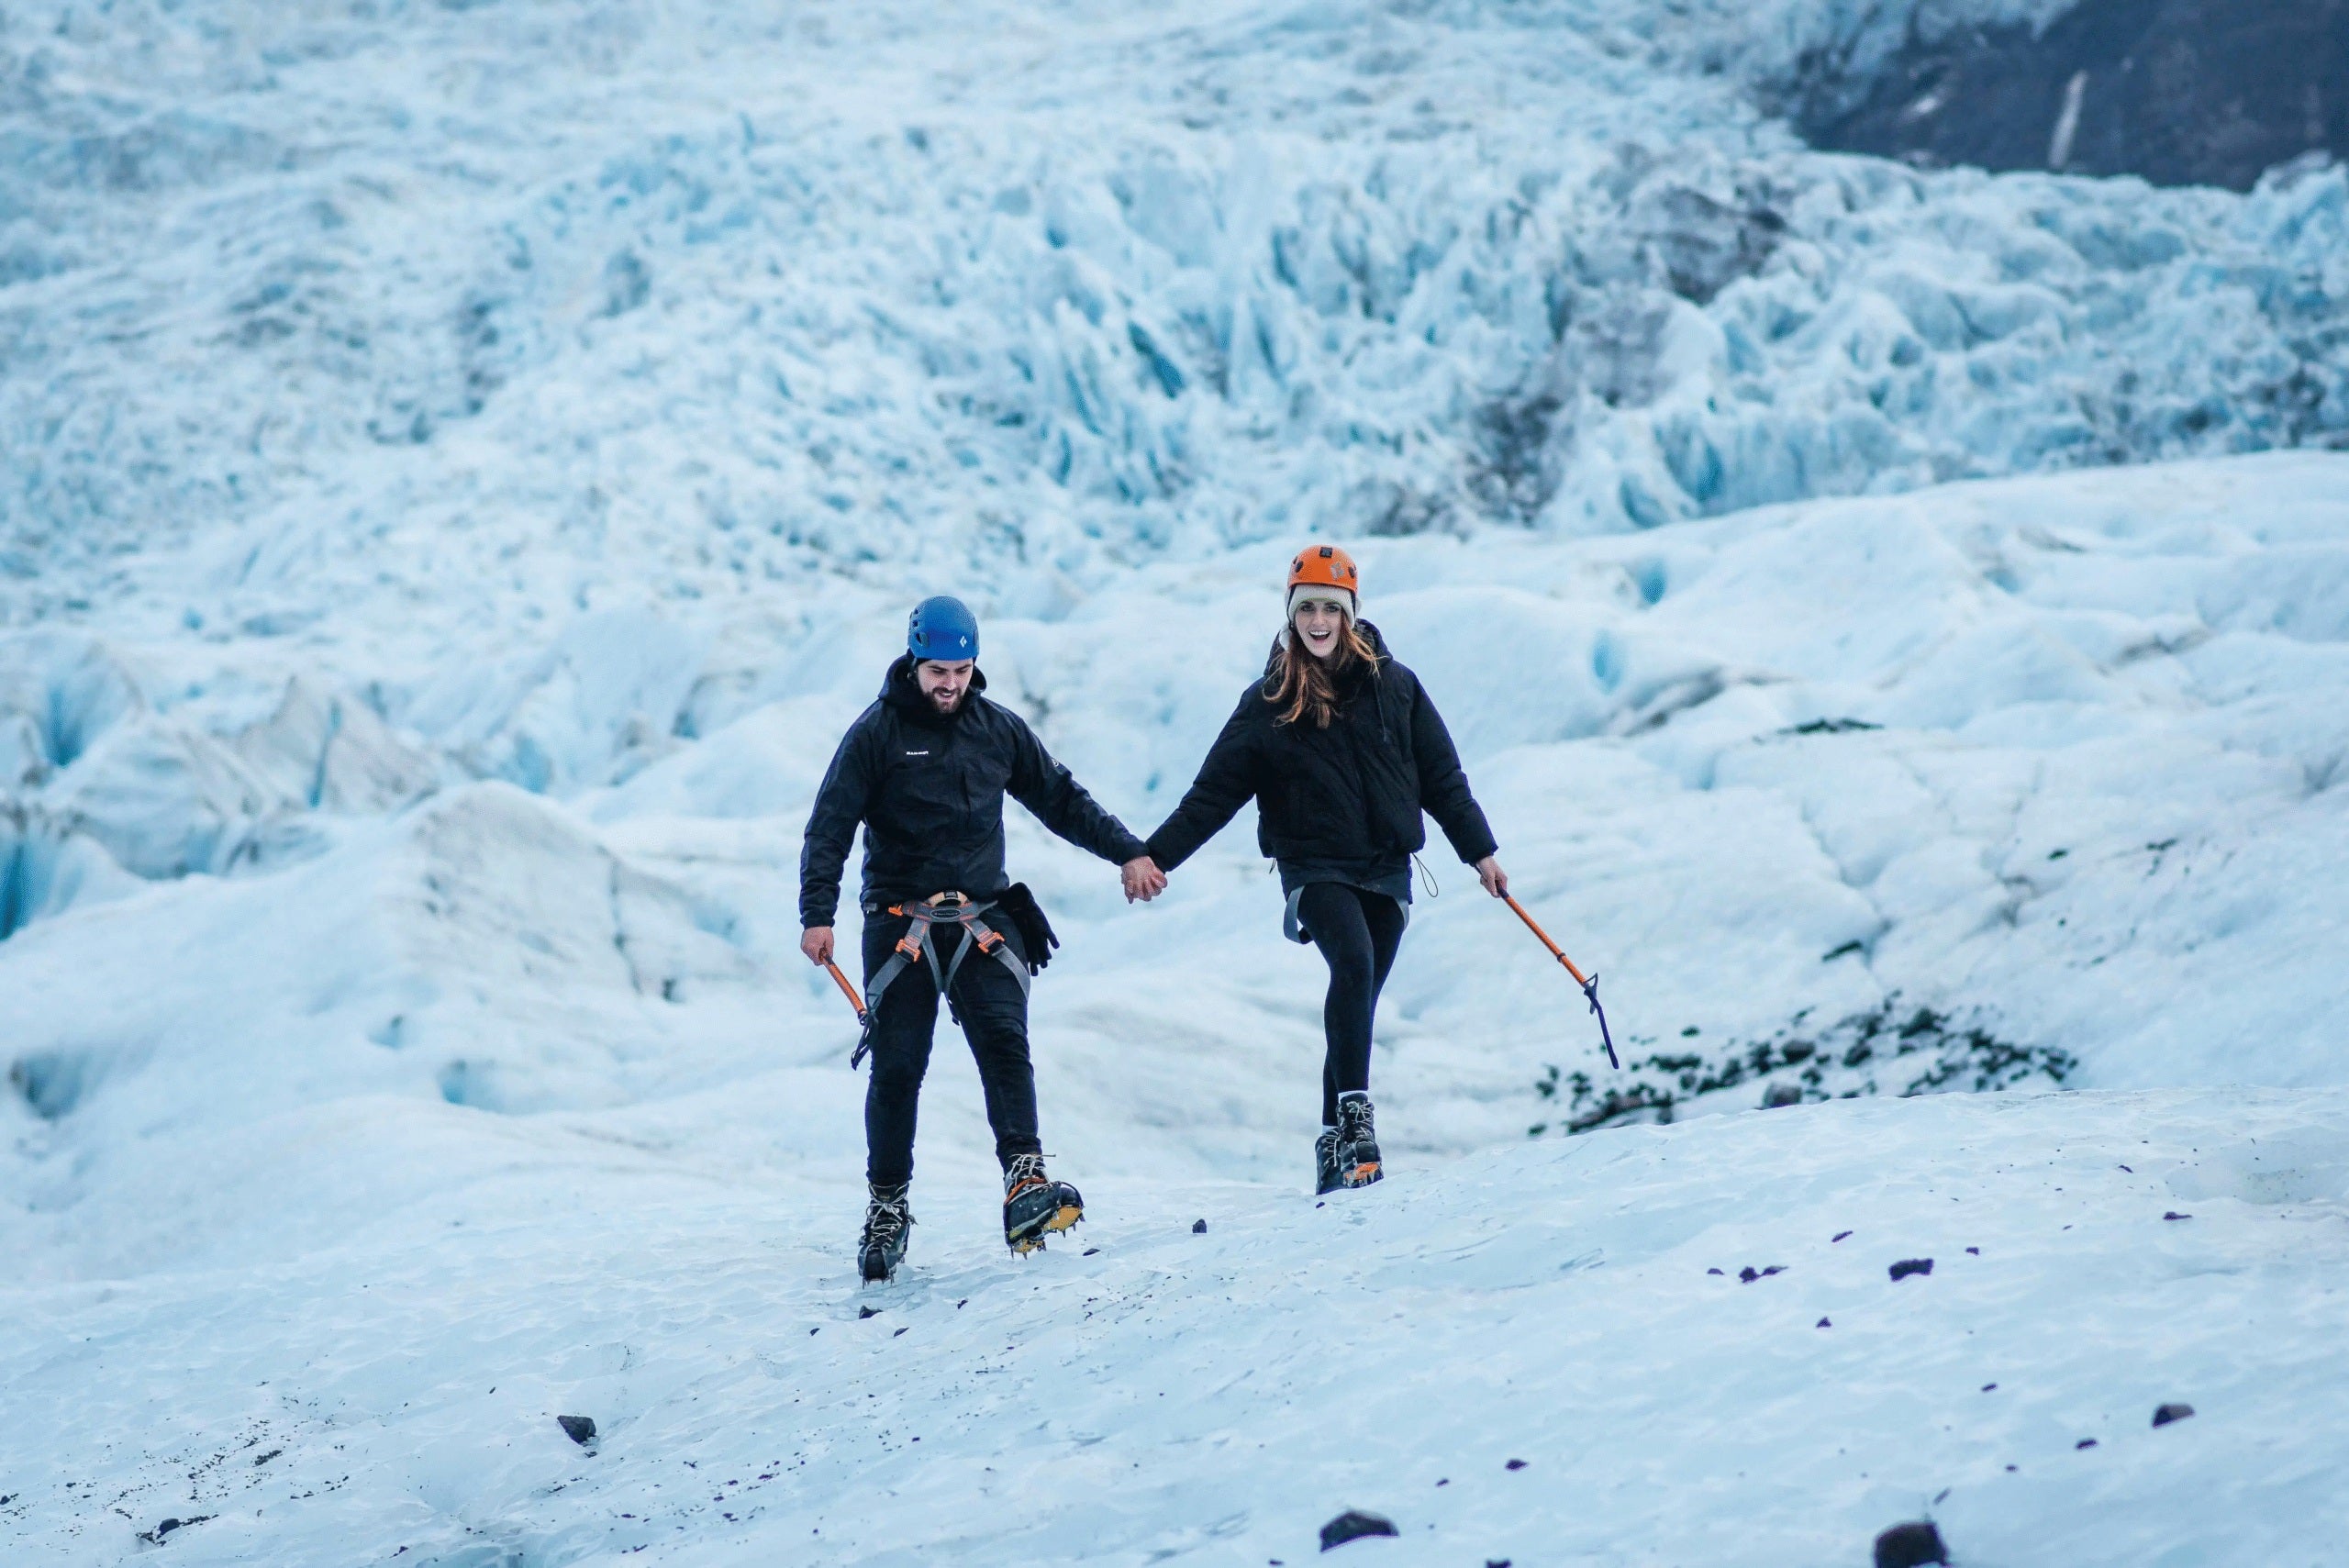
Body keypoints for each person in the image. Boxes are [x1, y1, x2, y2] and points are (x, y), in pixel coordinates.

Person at [800, 595, 1166, 1283]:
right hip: (896, 920)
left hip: (984, 917)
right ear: (914, 661)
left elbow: (1060, 798)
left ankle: (1026, 1183)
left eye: (962, 670)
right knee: (899, 1066)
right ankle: (887, 1208)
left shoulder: (997, 730)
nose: (950, 683)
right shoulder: (875, 735)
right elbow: (831, 824)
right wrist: (815, 914)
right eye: (939, 669)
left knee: (1004, 1041)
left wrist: (1128, 851)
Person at [1137, 546, 1508, 1194]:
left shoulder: (1398, 687)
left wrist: (1480, 850)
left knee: (1358, 1000)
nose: (1317, 618)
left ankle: (1332, 1149)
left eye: (1329, 607)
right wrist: (1156, 856)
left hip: (1388, 867)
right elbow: (1212, 794)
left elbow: (1443, 778)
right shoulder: (1270, 700)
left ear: (1350, 614)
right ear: (1290, 614)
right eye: (1306, 606)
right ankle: (1357, 1121)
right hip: (1314, 866)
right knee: (1354, 964)